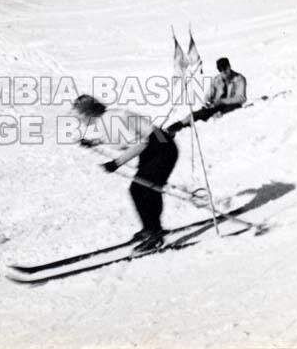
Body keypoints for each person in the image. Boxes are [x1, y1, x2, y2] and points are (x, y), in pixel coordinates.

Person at [72, 95, 179, 252]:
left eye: (79, 115)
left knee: (141, 189)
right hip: (156, 146)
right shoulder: (106, 119)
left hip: (162, 148)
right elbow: (117, 137)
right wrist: (93, 142)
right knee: (144, 189)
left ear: (88, 113)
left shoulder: (109, 120)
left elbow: (142, 142)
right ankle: (151, 228)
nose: (78, 119)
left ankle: (154, 235)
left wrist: (117, 163)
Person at [168, 57, 247, 133]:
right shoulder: (217, 79)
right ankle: (168, 130)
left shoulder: (239, 79)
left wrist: (222, 101)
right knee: (196, 115)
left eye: (225, 69)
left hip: (231, 106)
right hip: (216, 105)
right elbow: (209, 94)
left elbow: (241, 98)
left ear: (229, 67)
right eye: (221, 70)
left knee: (219, 114)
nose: (224, 72)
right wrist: (207, 101)